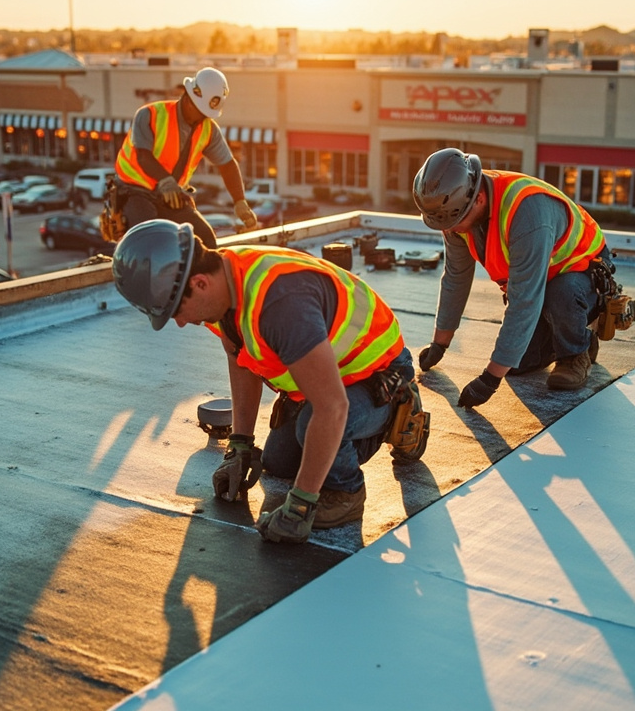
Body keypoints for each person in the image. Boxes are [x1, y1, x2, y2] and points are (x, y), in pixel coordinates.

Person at [112, 220, 428, 544]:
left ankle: (364, 467)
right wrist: (239, 446)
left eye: (176, 310)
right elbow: (241, 361)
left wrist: (302, 506)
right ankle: (341, 431)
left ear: (200, 283)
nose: (179, 323)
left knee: (313, 427)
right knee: (279, 461)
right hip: (329, 376)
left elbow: (331, 407)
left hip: (378, 374)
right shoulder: (223, 287)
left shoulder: (281, 303)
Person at [412, 147, 615, 408]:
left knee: (560, 294)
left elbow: (525, 300)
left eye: (453, 223)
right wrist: (440, 344)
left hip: (581, 272)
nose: (449, 230)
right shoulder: (455, 213)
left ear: (479, 199)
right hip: (540, 282)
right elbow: (455, 278)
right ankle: (562, 336)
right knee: (519, 364)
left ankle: (577, 350)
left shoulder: (526, 211)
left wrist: (489, 380)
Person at [112, 67, 259, 249]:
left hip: (171, 195)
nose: (205, 117)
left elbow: (227, 165)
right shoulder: (150, 115)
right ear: (190, 98)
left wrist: (240, 201)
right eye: (202, 111)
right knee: (151, 242)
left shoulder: (208, 129)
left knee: (206, 242)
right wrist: (165, 181)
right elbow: (143, 156)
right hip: (134, 192)